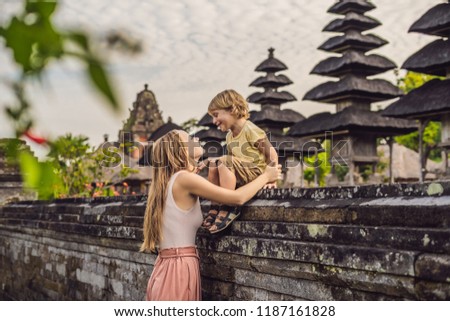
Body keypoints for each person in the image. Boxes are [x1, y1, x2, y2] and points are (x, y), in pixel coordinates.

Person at [140, 129, 280, 301]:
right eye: (190, 138)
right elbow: (237, 198)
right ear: (180, 149)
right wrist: (266, 176)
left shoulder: (171, 181)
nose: (197, 138)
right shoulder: (184, 179)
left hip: (169, 266)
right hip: (178, 269)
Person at [200, 89, 279, 234]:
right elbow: (229, 165)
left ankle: (228, 206)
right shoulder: (229, 137)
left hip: (256, 172)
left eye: (216, 115)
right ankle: (215, 205)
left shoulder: (249, 129)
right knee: (214, 164)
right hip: (242, 172)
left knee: (223, 161)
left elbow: (271, 153)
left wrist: (270, 179)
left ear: (232, 109)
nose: (214, 121)